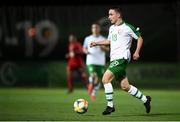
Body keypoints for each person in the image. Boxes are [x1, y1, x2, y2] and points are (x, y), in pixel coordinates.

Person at [90, 7, 151, 115]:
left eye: (111, 14)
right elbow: (109, 40)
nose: (109, 17)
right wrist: (97, 43)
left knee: (105, 79)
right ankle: (146, 100)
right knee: (125, 86)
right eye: (109, 15)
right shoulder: (112, 28)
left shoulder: (127, 27)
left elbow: (140, 38)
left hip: (122, 58)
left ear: (118, 15)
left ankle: (110, 106)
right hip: (115, 58)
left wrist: (137, 52)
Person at [83, 23, 109, 101]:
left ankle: (93, 93)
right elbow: (84, 48)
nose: (95, 29)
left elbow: (108, 49)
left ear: (99, 29)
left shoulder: (103, 38)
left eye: (96, 27)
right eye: (93, 27)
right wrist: (86, 51)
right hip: (91, 60)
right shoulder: (87, 38)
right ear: (92, 29)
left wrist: (103, 48)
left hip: (100, 61)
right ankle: (91, 84)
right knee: (93, 74)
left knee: (98, 79)